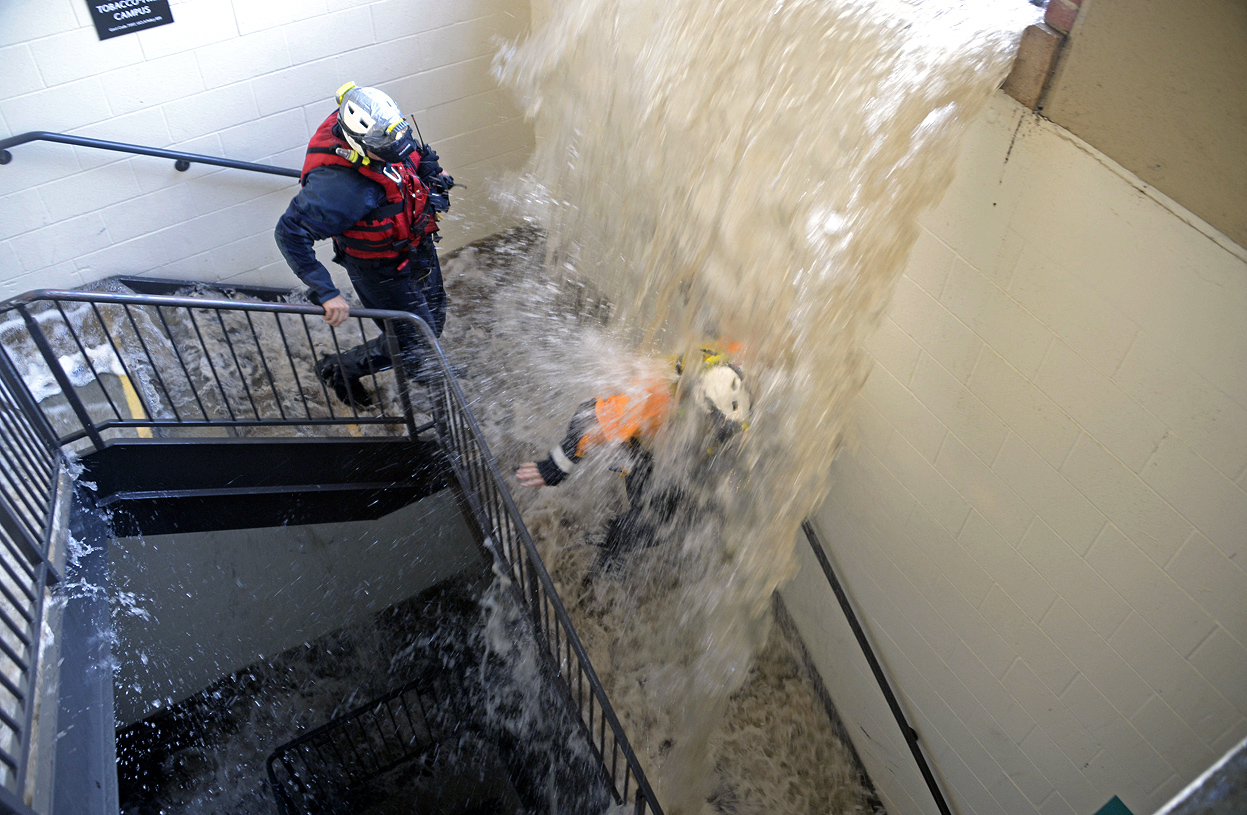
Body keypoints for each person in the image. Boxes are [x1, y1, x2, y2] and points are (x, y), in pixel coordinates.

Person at [275, 81, 454, 407]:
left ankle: (422, 359)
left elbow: (408, 159)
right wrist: (326, 292)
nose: (395, 155)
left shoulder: (382, 127)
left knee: (434, 319)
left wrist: (432, 176)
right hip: (381, 269)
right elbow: (290, 234)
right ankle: (338, 369)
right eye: (386, 154)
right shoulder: (341, 189)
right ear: (358, 145)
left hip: (415, 246)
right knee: (413, 341)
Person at [515, 347, 751, 559]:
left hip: (658, 436)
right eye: (714, 424)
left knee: (679, 505)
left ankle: (613, 545)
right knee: (656, 519)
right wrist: (556, 466)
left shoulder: (724, 370)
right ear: (702, 405)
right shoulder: (654, 400)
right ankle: (598, 547)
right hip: (627, 443)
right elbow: (586, 418)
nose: (715, 430)